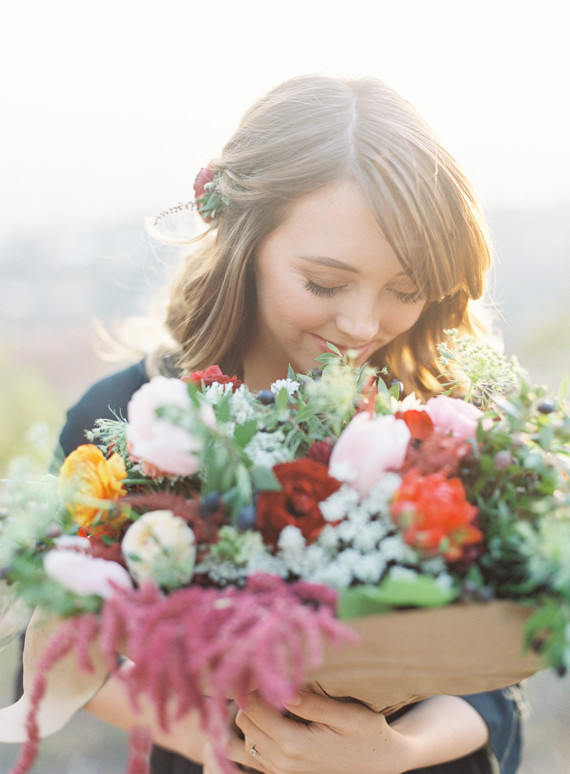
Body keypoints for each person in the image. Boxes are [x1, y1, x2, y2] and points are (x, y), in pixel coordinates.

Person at [52, 74, 524, 773]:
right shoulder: (123, 424)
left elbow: (496, 679)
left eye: (407, 289)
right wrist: (214, 743)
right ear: (246, 243)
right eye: (325, 284)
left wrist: (392, 752)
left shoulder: (455, 424)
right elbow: (64, 647)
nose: (363, 325)